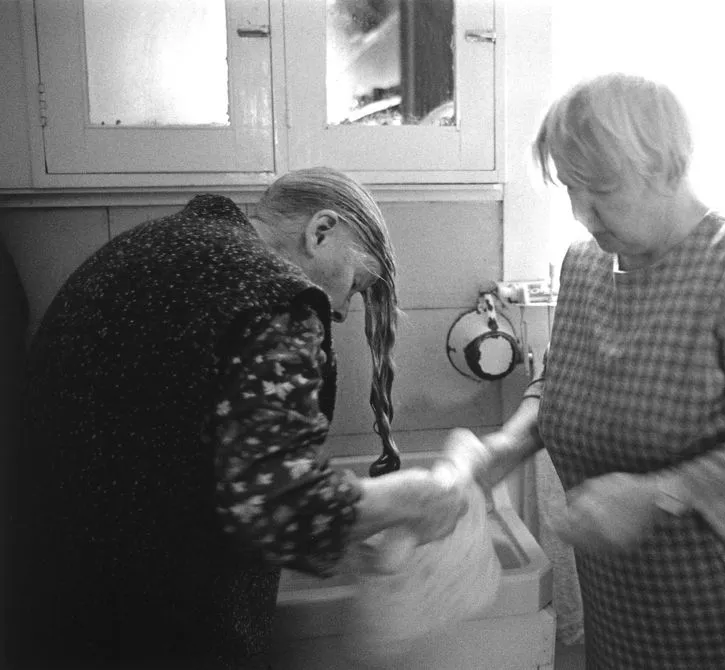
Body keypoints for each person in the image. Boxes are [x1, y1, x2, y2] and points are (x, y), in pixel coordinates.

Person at [440, 73, 725, 669]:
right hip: (636, 597)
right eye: (571, 190)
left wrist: (659, 495)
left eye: (600, 190)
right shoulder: (585, 262)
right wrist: (501, 450)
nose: (581, 214)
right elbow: (561, 380)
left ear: (665, 167)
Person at [5, 167, 467, 670]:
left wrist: (348, 525)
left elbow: (199, 452)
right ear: (320, 232)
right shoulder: (276, 299)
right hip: (146, 626)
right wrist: (411, 498)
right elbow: (274, 507)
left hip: (48, 600)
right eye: (355, 286)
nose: (340, 311)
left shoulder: (165, 245)